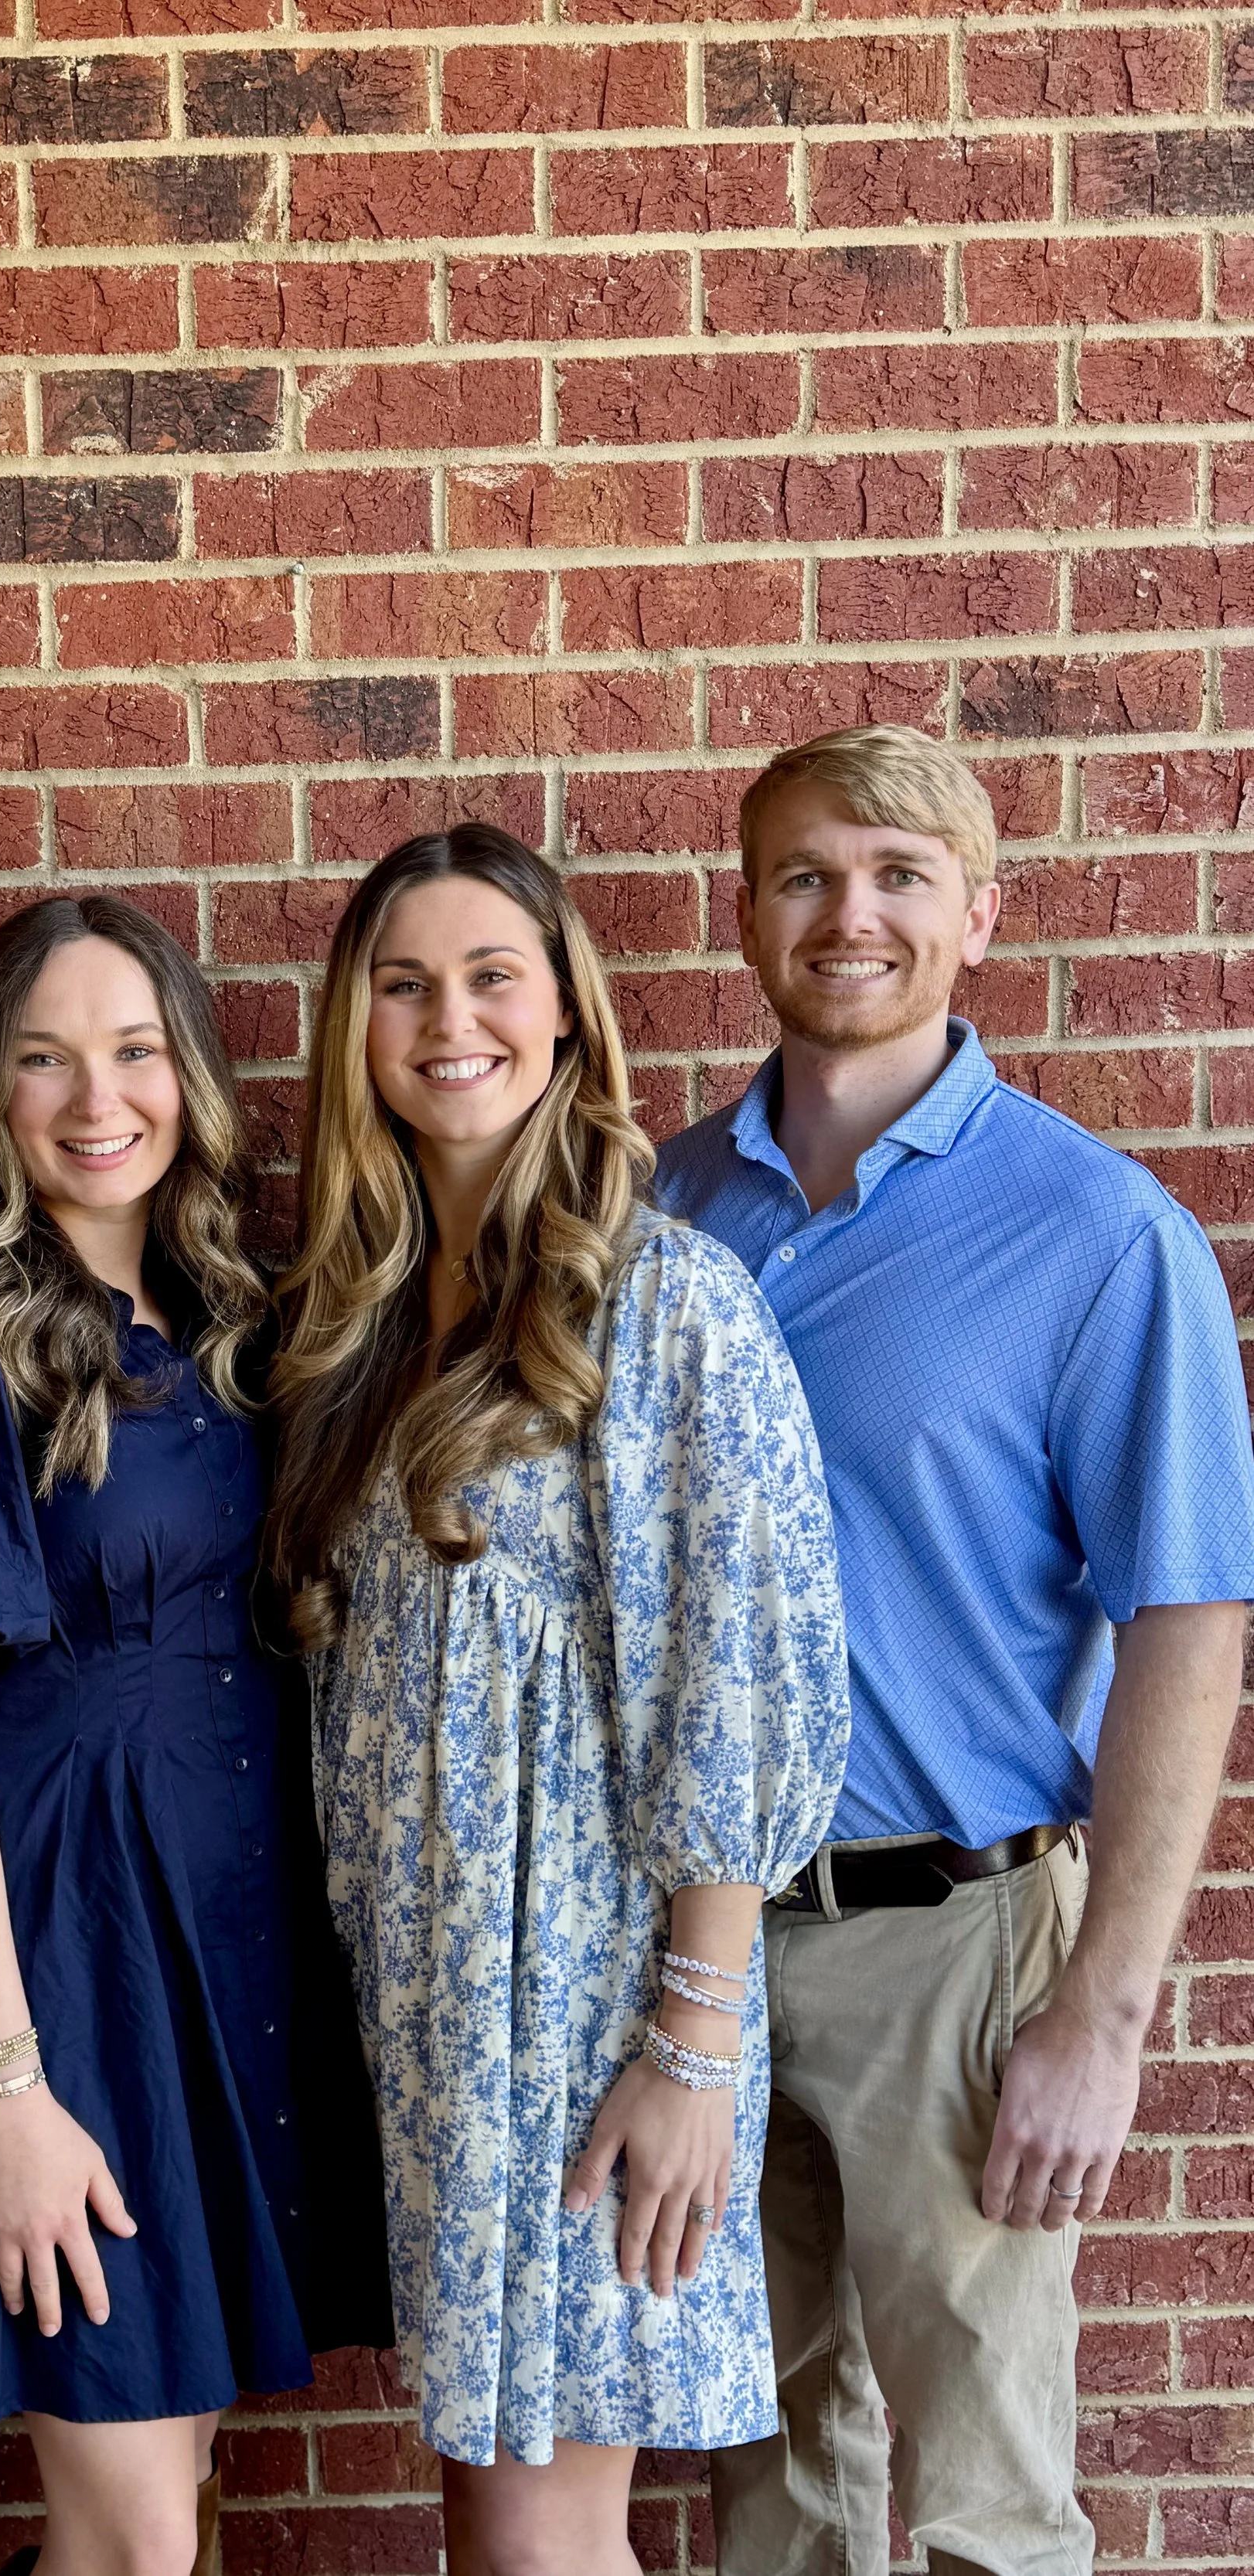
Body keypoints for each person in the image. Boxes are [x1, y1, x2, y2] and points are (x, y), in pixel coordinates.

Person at [651, 723, 1254, 2576]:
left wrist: (1101, 2011)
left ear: (976, 918)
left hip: (957, 1948)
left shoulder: (1090, 1233)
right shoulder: (662, 1213)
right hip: (709, 1957)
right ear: (743, 912)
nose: (852, 915)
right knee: (759, 2490)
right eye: (807, 874)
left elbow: (1186, 1622)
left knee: (987, 2506)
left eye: (901, 876)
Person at [0, 893, 390, 2576]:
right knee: (130, 2536)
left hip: (221, 1954)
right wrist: (7, 2089)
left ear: (187, 1071)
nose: (92, 1096)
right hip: (58, 1970)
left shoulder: (236, 1327)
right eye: (40, 1058)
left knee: (164, 2500)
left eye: (130, 1050)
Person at [267, 824, 852, 2576]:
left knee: (541, 2536)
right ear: (353, 1031)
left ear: (569, 1019)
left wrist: (688, 2039)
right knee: (494, 2510)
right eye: (401, 984)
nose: (448, 1021)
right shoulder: (362, 1321)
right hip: (436, 2013)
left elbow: (729, 1694)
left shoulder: (660, 1300)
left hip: (589, 2008)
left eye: (490, 975)